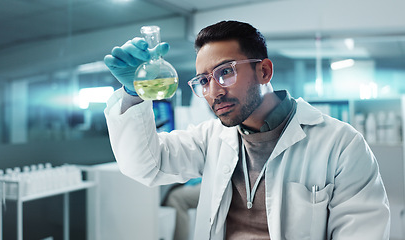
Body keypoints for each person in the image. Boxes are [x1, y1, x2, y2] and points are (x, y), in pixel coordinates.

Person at [103, 20, 390, 240]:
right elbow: (146, 166)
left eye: (225, 72)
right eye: (203, 80)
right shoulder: (210, 138)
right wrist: (132, 94)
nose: (213, 91)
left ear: (264, 71)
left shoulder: (340, 144)